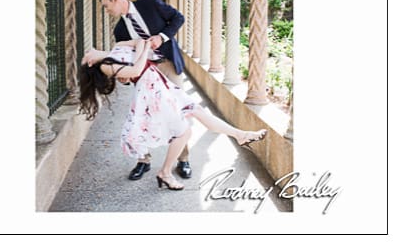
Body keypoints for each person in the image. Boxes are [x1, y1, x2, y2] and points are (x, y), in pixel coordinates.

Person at [79, 40, 266, 190]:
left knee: (197, 110)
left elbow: (139, 42)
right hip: (151, 91)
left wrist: (140, 49)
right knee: (184, 133)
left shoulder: (116, 48)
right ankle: (165, 173)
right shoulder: (106, 66)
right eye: (86, 54)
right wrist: (142, 52)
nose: (89, 49)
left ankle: (241, 135)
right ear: (89, 61)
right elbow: (136, 68)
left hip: (160, 83)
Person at [100, 0, 191, 181]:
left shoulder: (150, 3)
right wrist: (124, 77)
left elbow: (178, 18)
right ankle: (143, 161)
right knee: (141, 115)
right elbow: (127, 58)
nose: (107, 11)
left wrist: (162, 36)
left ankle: (183, 159)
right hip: (143, 73)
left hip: (167, 64)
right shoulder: (120, 30)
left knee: (179, 111)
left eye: (107, 6)